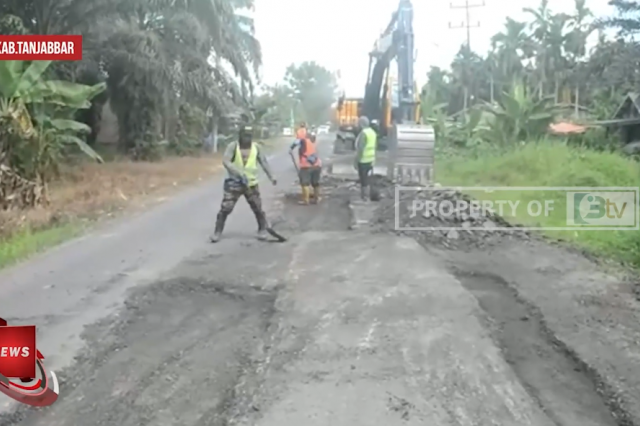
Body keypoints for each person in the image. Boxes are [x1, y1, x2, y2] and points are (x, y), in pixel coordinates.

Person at [210, 125, 277, 243]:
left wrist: (272, 177)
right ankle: (217, 232)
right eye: (244, 135)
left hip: (251, 184)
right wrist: (238, 173)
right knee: (226, 208)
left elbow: (264, 163)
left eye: (249, 136)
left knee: (257, 208)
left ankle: (262, 229)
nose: (247, 138)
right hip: (234, 183)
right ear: (240, 135)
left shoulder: (257, 147)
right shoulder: (233, 146)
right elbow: (226, 161)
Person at [290, 133, 322, 205]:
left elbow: (295, 143)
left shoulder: (303, 141)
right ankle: (316, 199)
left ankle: (306, 200)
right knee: (315, 183)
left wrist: (291, 149)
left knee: (305, 184)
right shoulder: (314, 142)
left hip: (306, 165)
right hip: (317, 165)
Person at [354, 116, 377, 201]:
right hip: (370, 160)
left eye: (359, 123)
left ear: (361, 124)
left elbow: (360, 149)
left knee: (363, 179)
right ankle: (367, 195)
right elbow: (374, 147)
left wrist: (356, 161)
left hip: (363, 160)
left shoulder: (364, 133)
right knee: (367, 178)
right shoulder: (372, 132)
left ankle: (365, 196)